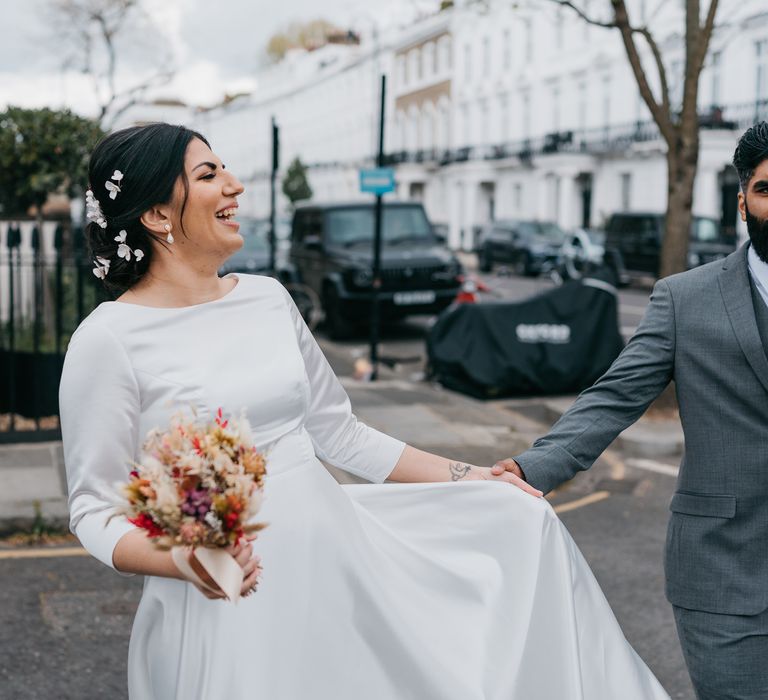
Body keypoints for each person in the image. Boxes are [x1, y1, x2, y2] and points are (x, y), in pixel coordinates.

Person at [60, 123, 668, 699]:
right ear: (158, 214)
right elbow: (94, 507)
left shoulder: (269, 299)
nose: (235, 185)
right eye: (210, 173)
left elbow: (340, 433)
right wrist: (187, 560)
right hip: (227, 594)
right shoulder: (109, 340)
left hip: (337, 565)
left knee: (513, 532)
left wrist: (473, 478)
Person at [492, 121, 768, 700]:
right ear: (742, 200)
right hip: (727, 573)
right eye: (767, 189)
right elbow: (615, 395)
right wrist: (534, 466)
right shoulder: (685, 298)